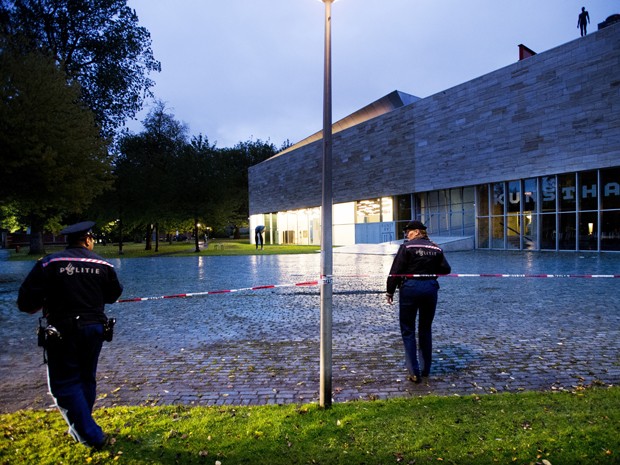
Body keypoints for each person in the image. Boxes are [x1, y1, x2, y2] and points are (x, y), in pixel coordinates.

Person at [17, 221, 123, 449]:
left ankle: (91, 436)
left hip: (62, 331)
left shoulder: (49, 263)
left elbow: (25, 302)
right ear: (87, 239)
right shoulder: (103, 264)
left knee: (64, 384)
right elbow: (113, 294)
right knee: (86, 378)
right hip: (94, 329)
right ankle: (81, 428)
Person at [386, 221, 451, 383]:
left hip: (410, 288)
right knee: (425, 328)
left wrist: (390, 291)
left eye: (408, 232)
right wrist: (430, 270)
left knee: (407, 329)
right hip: (430, 288)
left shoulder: (406, 247)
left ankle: (414, 372)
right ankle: (425, 369)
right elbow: (446, 269)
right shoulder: (436, 248)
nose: (406, 235)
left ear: (416, 232)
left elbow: (396, 271)